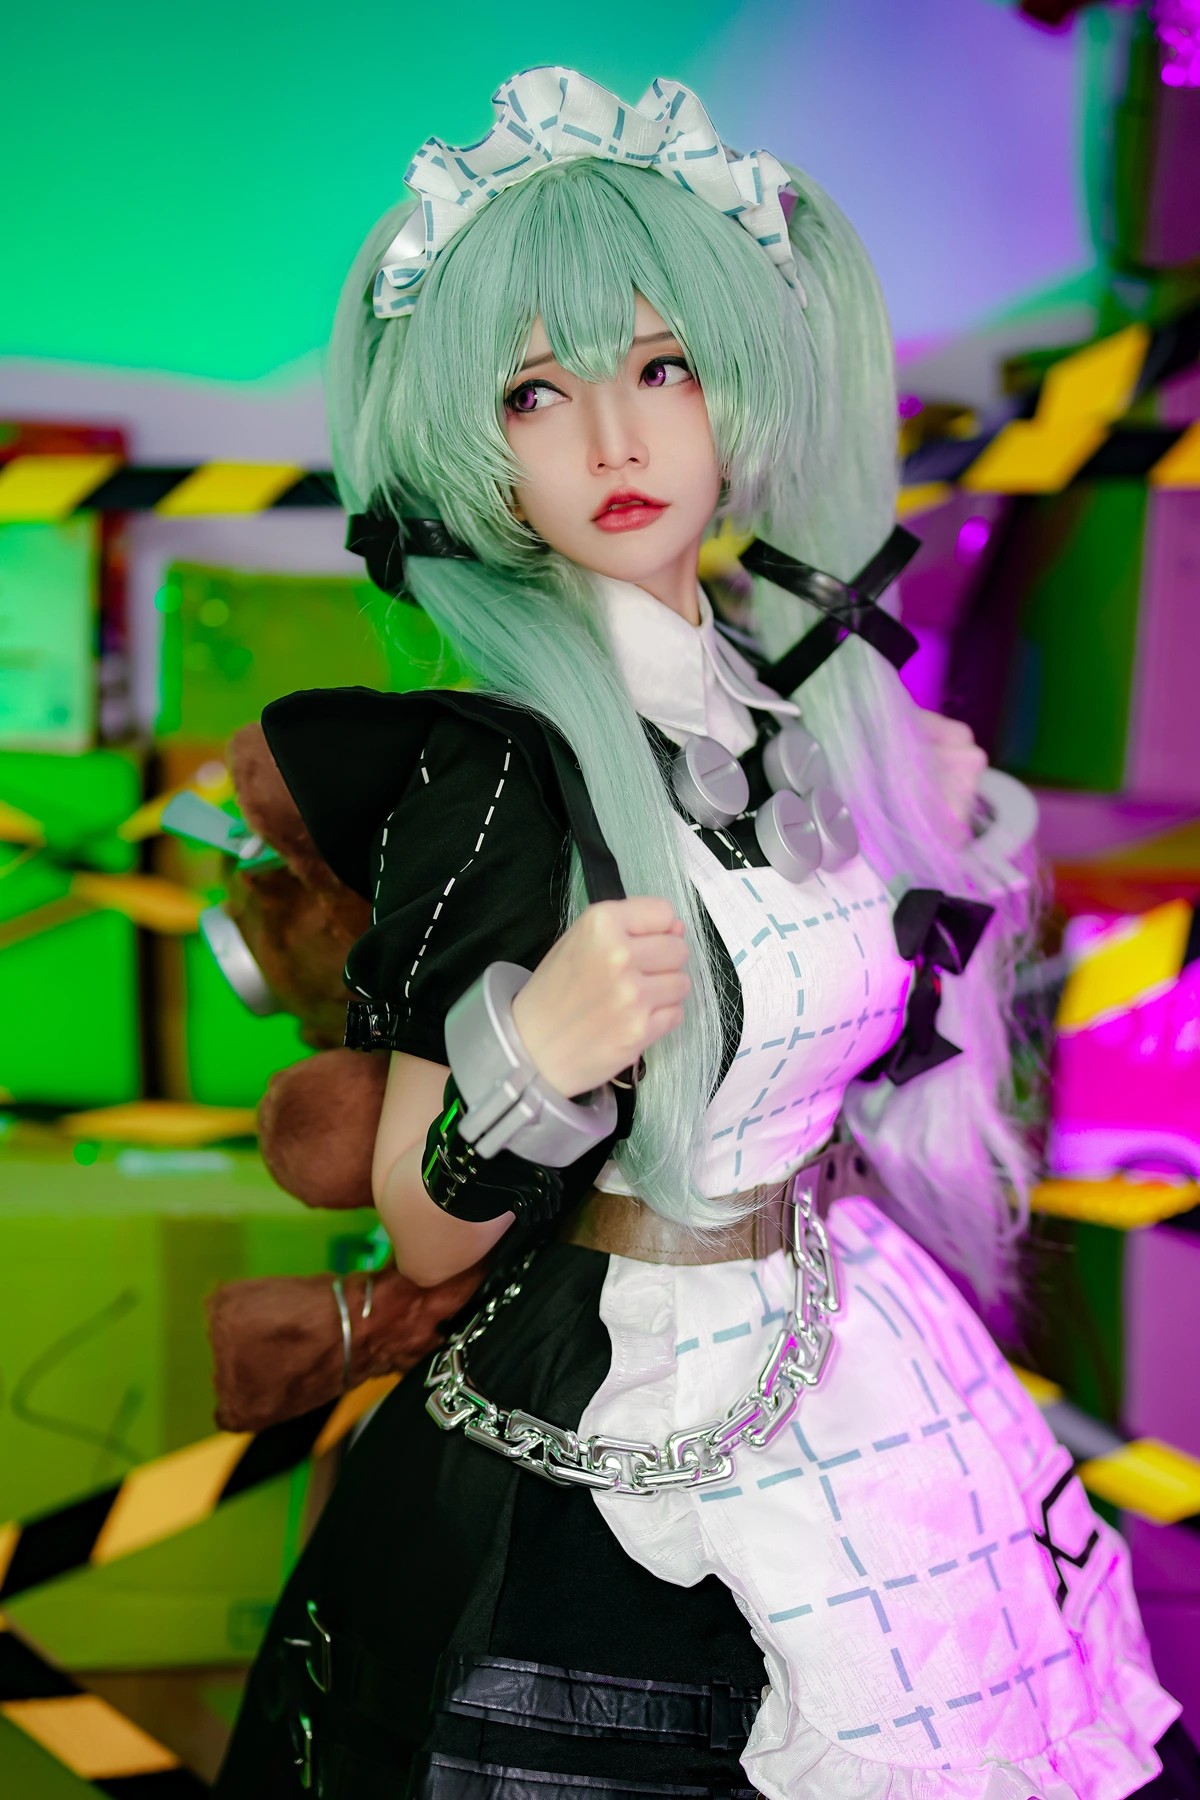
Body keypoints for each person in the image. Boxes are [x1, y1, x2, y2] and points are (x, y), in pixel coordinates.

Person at [216, 66, 1189, 1800]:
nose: (614, 441)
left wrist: (928, 824)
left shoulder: (799, 698)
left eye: (660, 368)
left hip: (849, 1345)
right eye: (538, 392)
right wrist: (538, 1052)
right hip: (618, 1403)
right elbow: (424, 1231)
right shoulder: (495, 773)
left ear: (736, 377)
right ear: (474, 442)